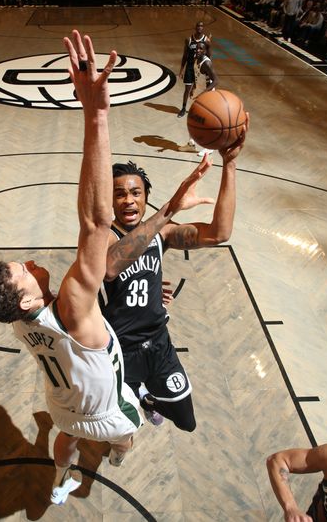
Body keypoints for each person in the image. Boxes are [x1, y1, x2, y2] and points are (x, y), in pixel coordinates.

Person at [0, 30, 142, 507]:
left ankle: (58, 482)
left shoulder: (19, 322)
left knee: (64, 439)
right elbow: (96, 220)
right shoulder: (70, 306)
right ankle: (114, 459)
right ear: (27, 298)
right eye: (24, 269)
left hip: (62, 405)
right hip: (107, 410)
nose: (31, 262)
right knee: (125, 438)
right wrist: (97, 115)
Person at [99, 119, 247, 431]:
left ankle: (147, 397)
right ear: (109, 201)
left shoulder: (161, 234)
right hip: (116, 348)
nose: (129, 200)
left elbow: (219, 233)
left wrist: (230, 165)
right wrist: (172, 206)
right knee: (118, 426)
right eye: (120, 194)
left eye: (136, 193)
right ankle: (138, 393)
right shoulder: (104, 236)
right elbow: (112, 266)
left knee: (186, 420)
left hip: (158, 341)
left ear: (145, 196)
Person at [178, 21, 211, 118]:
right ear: (195, 27)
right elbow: (185, 56)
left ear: (203, 28)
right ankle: (183, 108)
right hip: (189, 67)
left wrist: (208, 46)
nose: (200, 27)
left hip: (199, 68)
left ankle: (199, 110)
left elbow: (209, 56)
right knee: (187, 89)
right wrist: (181, 70)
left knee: (199, 91)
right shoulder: (188, 39)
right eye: (198, 26)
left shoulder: (206, 40)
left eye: (201, 26)